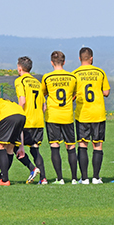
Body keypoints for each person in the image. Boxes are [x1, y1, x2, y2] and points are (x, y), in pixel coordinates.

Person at [73, 47, 110, 184]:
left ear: (79, 58)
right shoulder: (100, 72)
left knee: (82, 145)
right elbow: (106, 92)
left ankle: (84, 178)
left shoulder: (75, 74)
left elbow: (71, 95)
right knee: (97, 145)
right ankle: (95, 177)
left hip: (82, 114)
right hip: (98, 114)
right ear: (91, 58)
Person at [41, 50, 78, 184]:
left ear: (51, 62)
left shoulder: (47, 77)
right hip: (67, 115)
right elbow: (75, 93)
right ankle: (74, 178)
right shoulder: (72, 77)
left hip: (52, 116)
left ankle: (60, 178)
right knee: (71, 147)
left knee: (55, 146)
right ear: (64, 62)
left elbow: (43, 93)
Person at [14, 56, 45, 184]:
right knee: (35, 149)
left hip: (26, 121)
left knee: (14, 147)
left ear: (19, 68)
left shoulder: (20, 81)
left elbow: (22, 101)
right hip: (38, 121)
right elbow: (44, 106)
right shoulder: (37, 82)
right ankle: (43, 179)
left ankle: (32, 169)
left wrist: (17, 116)